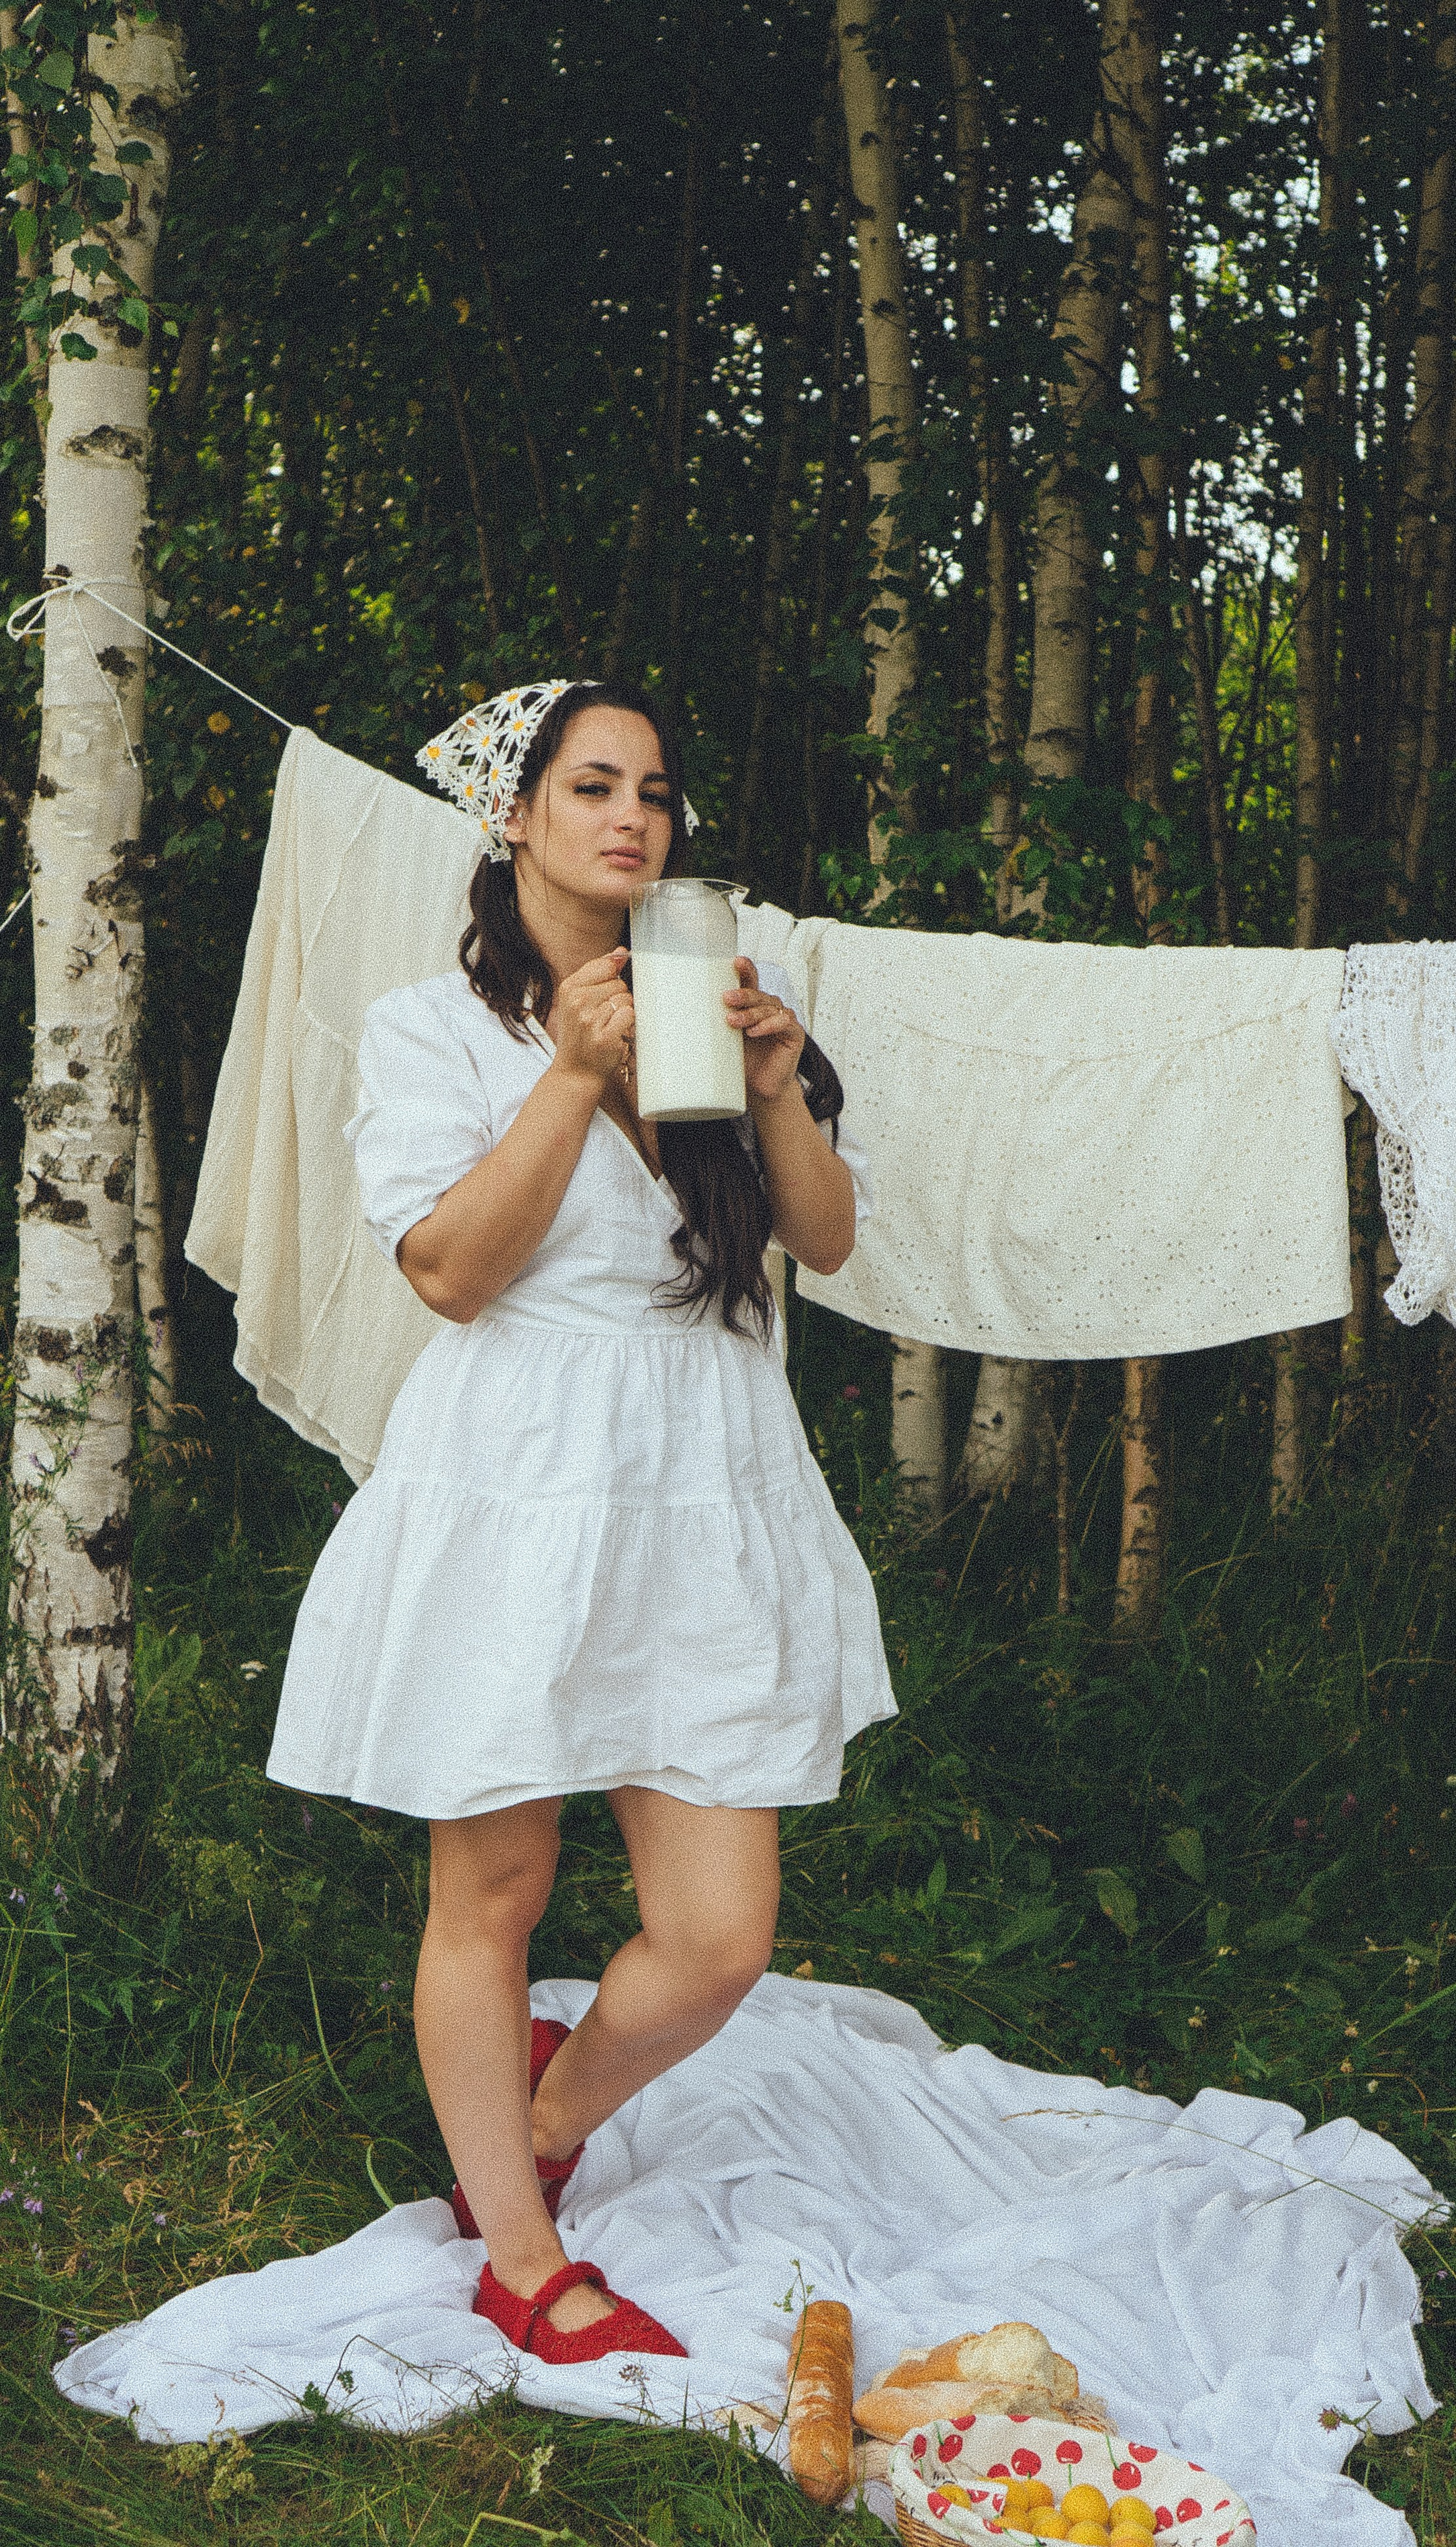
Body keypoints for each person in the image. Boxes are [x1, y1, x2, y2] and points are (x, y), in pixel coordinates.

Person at [267, 679, 895, 2364]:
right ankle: (524, 2259)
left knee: (715, 1939)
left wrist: (768, 1081)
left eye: (659, 793)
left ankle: (536, 2127)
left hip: (704, 1467)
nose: (634, 818)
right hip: (523, 1467)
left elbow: (821, 1245)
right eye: (594, 786)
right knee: (500, 1879)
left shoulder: (723, 1003)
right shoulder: (430, 1028)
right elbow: (454, 1277)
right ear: (514, 816)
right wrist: (567, 1075)